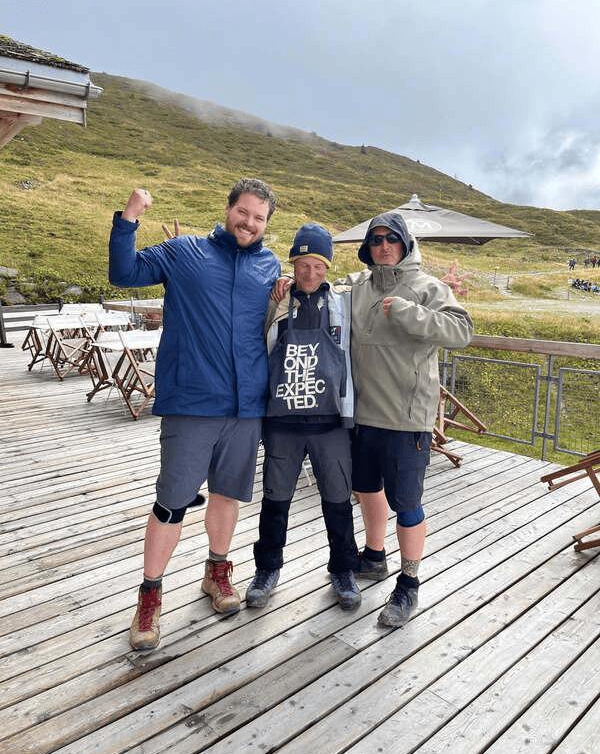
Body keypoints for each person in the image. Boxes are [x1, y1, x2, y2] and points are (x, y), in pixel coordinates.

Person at [109, 178, 280, 650]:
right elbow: (124, 273)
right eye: (243, 212)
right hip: (192, 404)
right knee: (171, 503)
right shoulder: (184, 251)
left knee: (228, 497)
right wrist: (129, 219)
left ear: (267, 223)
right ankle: (149, 597)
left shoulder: (270, 265)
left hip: (246, 408)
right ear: (229, 209)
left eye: (259, 217)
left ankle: (216, 572)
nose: (248, 222)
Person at [346, 212, 473, 627]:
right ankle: (374, 555)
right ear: (367, 247)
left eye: (391, 239)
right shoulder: (358, 287)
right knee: (366, 489)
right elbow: (319, 292)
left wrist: (409, 312)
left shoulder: (428, 287)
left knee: (407, 503)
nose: (384, 246)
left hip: (407, 418)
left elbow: (461, 332)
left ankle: (409, 582)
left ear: (405, 243)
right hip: (362, 414)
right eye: (376, 239)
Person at [245, 224, 361, 611]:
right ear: (292, 265)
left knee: (338, 499)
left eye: (318, 266)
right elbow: (256, 342)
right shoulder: (276, 301)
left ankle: (343, 570)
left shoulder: (343, 304)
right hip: (282, 422)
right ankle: (266, 569)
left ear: (328, 268)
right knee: (275, 500)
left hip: (331, 422)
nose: (310, 273)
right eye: (303, 265)